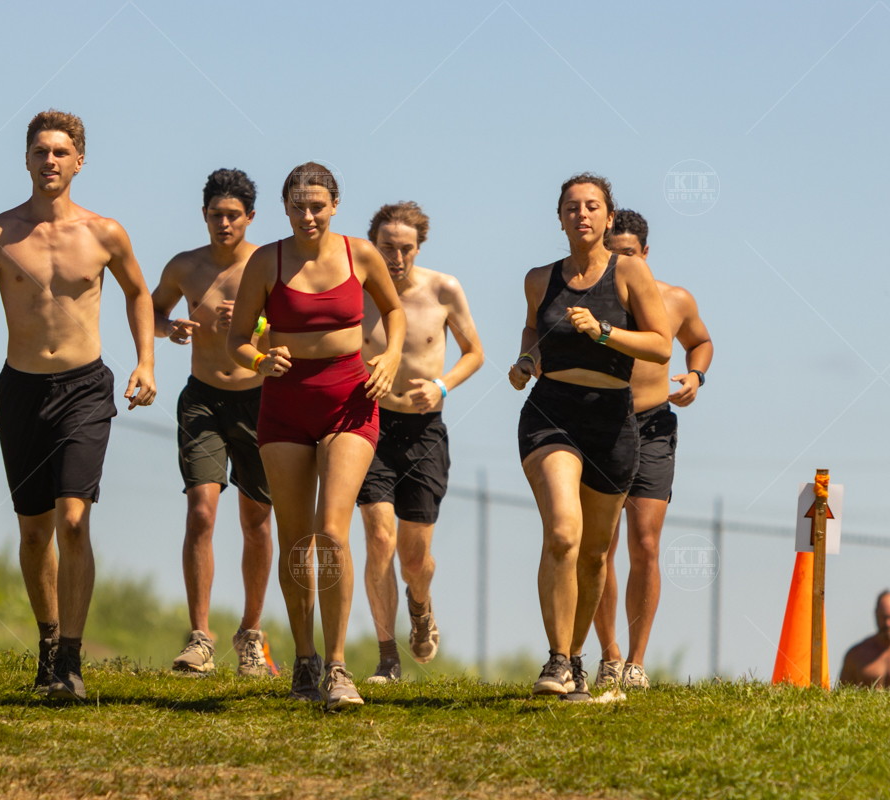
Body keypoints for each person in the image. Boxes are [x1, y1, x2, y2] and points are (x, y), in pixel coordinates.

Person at [0, 109, 156, 700]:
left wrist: (146, 361)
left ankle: (71, 659)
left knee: (73, 520)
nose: (50, 161)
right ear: (27, 159)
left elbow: (138, 293)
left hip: (85, 389)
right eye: (41, 151)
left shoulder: (104, 232)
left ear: (79, 160)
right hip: (22, 390)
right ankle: (46, 648)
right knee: (35, 533)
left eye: (61, 152)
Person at [227, 162, 405, 710]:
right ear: (285, 208)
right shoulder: (266, 261)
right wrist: (260, 357)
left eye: (318, 206)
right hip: (284, 406)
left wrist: (392, 356)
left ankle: (337, 667)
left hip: (349, 401)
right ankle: (303, 659)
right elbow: (237, 339)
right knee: (297, 538)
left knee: (332, 533)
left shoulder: (360, 254)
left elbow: (394, 311)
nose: (308, 215)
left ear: (334, 207)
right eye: (299, 206)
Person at [509, 173, 671, 701]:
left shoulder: (630, 273)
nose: (582, 214)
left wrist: (602, 331)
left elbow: (661, 346)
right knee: (562, 531)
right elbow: (534, 331)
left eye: (592, 206)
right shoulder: (539, 279)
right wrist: (526, 360)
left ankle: (577, 659)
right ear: (559, 218)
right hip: (550, 413)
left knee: (596, 551)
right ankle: (557, 660)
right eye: (572, 207)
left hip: (612, 419)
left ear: (607, 216)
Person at [151, 168, 275, 677]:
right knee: (201, 513)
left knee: (256, 521)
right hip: (202, 399)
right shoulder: (185, 266)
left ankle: (250, 634)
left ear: (250, 218)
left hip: (259, 400)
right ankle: (200, 636)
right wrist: (170, 327)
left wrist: (253, 326)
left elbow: (291, 331)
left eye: (233, 216)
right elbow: (151, 311)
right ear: (203, 215)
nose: (223, 224)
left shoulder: (268, 265)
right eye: (215, 215)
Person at [356, 201, 484, 682]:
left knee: (414, 559)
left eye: (405, 248)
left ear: (419, 247)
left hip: (425, 430)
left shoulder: (443, 289)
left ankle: (421, 602)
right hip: (368, 425)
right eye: (387, 247)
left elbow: (475, 353)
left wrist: (443, 385)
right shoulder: (356, 290)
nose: (396, 257)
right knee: (379, 539)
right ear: (373, 245)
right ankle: (387, 656)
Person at [590, 209, 713, 690]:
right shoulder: (593, 298)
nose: (620, 264)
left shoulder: (674, 299)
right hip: (600, 423)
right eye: (611, 254)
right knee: (600, 547)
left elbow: (700, 342)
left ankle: (636, 662)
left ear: (644, 253)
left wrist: (696, 377)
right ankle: (609, 654)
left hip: (654, 426)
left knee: (645, 543)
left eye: (627, 255)